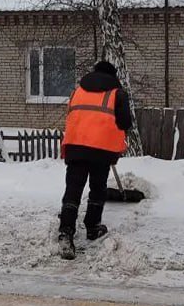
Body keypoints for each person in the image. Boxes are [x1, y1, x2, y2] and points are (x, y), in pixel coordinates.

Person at [57, 60, 133, 259]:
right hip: (101, 149)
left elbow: (73, 116)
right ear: (113, 76)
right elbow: (126, 122)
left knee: (73, 189)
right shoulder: (117, 94)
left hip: (75, 146)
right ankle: (92, 227)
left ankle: (66, 232)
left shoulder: (77, 91)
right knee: (97, 188)